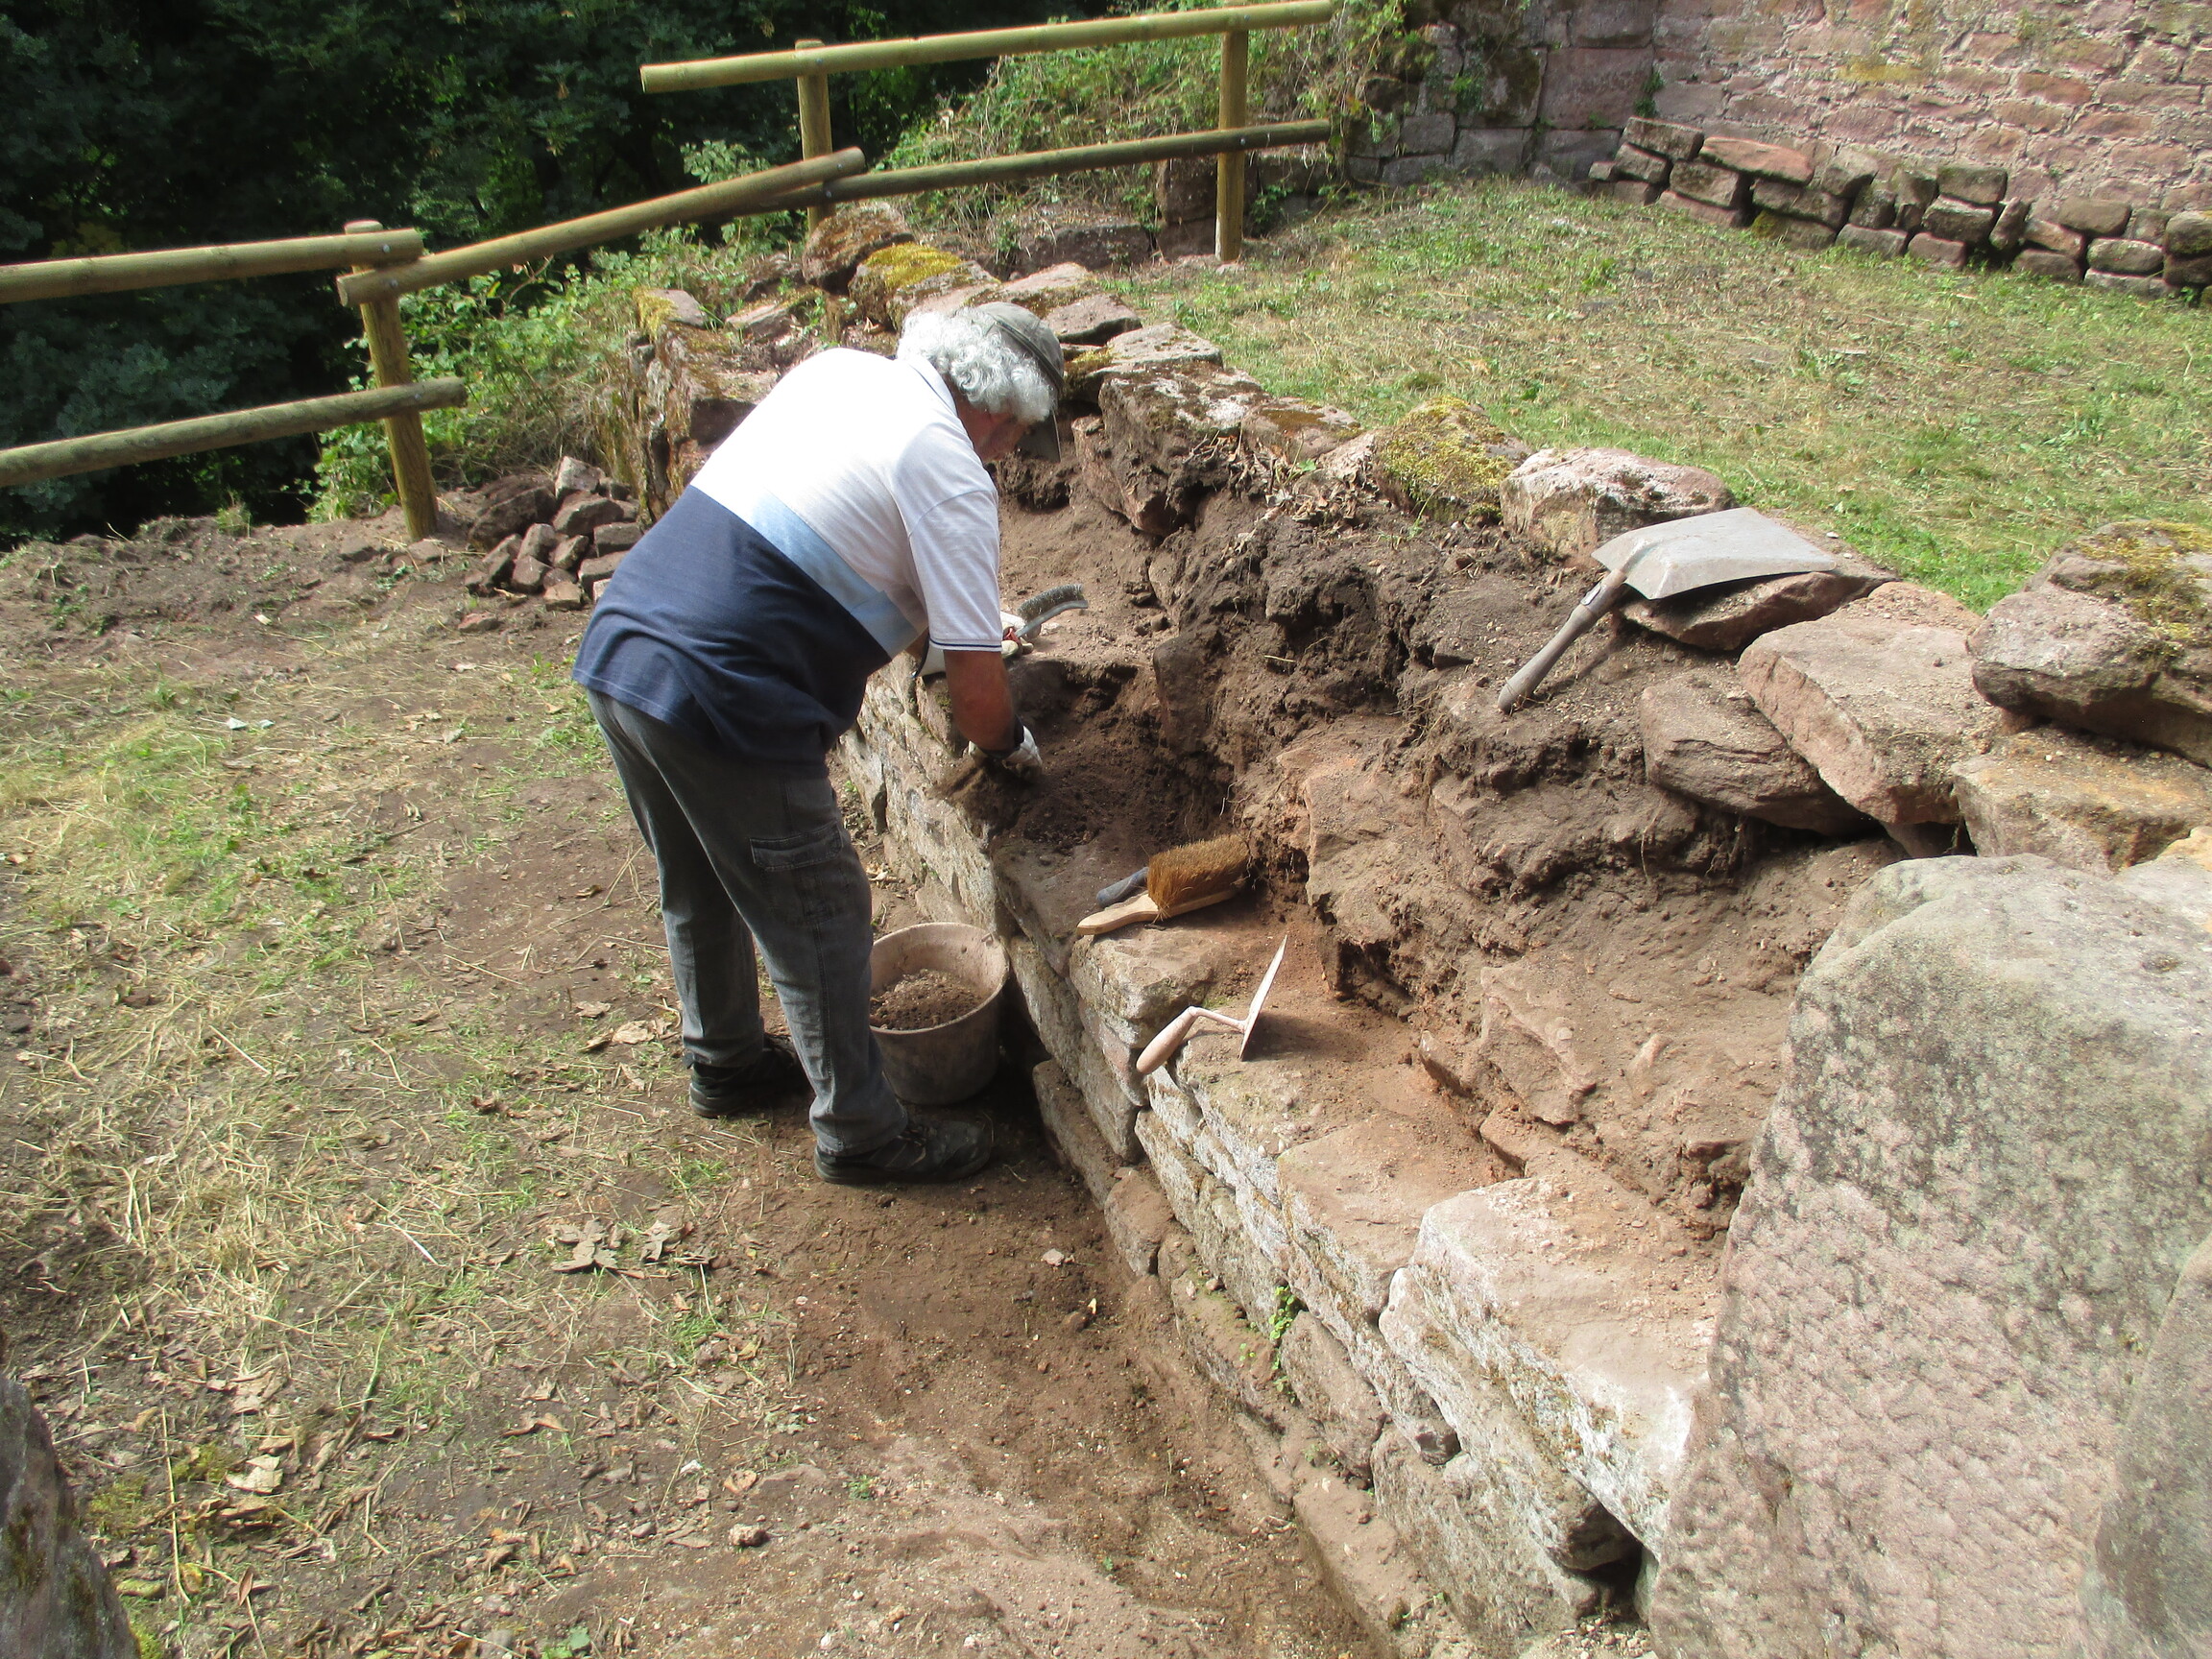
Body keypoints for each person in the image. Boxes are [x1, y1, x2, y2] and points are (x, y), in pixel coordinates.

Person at [571, 302, 1063, 1185]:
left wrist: (963, 628)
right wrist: (1011, 744)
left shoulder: (842, 375)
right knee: (823, 913)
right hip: (728, 695)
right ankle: (862, 1135)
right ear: (1000, 410)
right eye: (1021, 434)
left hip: (628, 647)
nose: (1009, 453)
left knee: (700, 879)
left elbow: (833, 545)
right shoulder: (950, 467)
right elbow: (977, 704)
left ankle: (724, 1062)